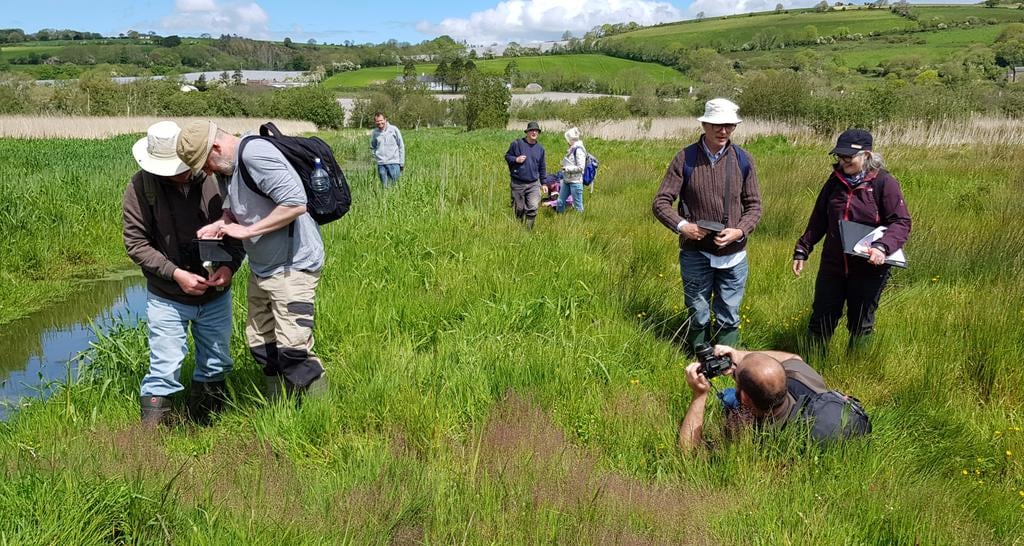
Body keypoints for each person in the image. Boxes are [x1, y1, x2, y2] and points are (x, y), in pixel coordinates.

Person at [177, 121, 327, 399]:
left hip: (292, 265)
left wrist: (248, 231)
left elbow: (295, 203)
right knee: (261, 344)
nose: (207, 172)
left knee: (294, 349)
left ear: (217, 148)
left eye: (205, 165)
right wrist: (220, 224)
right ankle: (277, 403)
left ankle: (319, 413)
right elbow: (233, 211)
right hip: (262, 268)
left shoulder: (254, 155)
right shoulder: (228, 170)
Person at [123, 121, 245, 426]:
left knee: (217, 363)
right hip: (167, 296)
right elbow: (136, 244)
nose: (176, 174)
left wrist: (230, 267)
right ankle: (151, 444)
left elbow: (240, 232)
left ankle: (208, 428)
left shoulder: (217, 179)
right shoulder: (141, 187)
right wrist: (175, 273)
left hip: (216, 294)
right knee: (164, 369)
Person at [652, 98, 763, 351]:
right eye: (716, 125)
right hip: (695, 253)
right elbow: (660, 202)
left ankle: (727, 362)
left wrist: (739, 231)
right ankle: (698, 358)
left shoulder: (744, 160)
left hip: (734, 255)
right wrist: (683, 227)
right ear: (704, 124)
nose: (722, 131)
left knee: (729, 312)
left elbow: (755, 206)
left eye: (728, 125)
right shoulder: (685, 158)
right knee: (698, 310)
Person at [792, 129, 911, 350]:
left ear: (867, 155)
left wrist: (882, 248)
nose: (843, 161)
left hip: (869, 267)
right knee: (821, 321)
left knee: (861, 324)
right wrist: (803, 248)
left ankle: (858, 369)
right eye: (840, 156)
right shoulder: (834, 182)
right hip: (833, 265)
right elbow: (819, 219)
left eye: (849, 157)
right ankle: (810, 370)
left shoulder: (884, 183)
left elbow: (901, 222)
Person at [678, 345, 867, 452]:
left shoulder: (746, 432)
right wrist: (740, 356)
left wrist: (699, 396)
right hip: (825, 417)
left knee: (727, 399)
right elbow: (793, 357)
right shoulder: (804, 380)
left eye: (737, 379)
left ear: (745, 399)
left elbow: (688, 454)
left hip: (752, 416)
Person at [505, 121, 546, 229]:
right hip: (518, 183)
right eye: (531, 130)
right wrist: (516, 159)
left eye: (536, 131)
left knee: (532, 207)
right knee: (519, 209)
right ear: (527, 132)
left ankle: (528, 231)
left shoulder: (540, 149)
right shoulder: (517, 144)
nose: (534, 132)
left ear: (538, 133)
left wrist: (544, 183)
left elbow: (542, 167)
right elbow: (507, 156)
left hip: (533, 184)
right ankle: (518, 228)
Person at [370, 112, 405, 188]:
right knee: (385, 188)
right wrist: (376, 157)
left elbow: (401, 146)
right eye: (377, 121)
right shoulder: (375, 132)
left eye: (381, 120)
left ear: (385, 119)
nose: (379, 123)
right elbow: (373, 147)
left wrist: (401, 163)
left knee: (395, 187)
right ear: (375, 122)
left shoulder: (394, 130)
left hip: (394, 163)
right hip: (381, 165)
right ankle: (384, 200)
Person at [556, 126, 586, 214]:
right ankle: (559, 219)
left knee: (578, 206)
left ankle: (580, 224)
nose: (566, 141)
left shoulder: (579, 150)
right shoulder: (572, 149)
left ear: (570, 139)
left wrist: (567, 168)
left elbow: (581, 168)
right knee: (560, 202)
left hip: (576, 182)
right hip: (567, 180)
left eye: (567, 139)